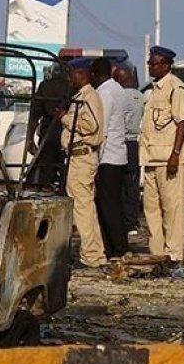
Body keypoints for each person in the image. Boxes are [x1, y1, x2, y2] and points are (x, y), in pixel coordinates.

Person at [139, 46, 184, 263]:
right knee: (151, 210)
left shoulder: (175, 88)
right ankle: (157, 254)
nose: (150, 66)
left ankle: (173, 255)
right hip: (150, 157)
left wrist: (175, 154)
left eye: (154, 63)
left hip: (168, 158)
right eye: (150, 63)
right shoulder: (154, 90)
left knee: (173, 209)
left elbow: (182, 123)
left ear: (166, 65)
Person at [53, 57, 105, 268]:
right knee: (85, 208)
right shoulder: (82, 96)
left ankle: (91, 255)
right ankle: (93, 253)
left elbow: (91, 125)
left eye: (71, 74)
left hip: (82, 156)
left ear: (80, 74)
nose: (69, 79)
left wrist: (65, 118)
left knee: (83, 208)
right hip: (77, 157)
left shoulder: (89, 96)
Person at [92, 57, 128, 259]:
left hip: (107, 157)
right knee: (113, 204)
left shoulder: (104, 93)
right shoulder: (119, 90)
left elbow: (101, 130)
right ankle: (115, 247)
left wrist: (95, 163)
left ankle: (116, 248)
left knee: (108, 207)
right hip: (118, 154)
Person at [26, 62, 71, 187]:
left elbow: (35, 115)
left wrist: (30, 140)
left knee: (45, 173)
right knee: (65, 174)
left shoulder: (45, 86)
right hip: (67, 137)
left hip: (48, 136)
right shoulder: (72, 88)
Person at [115, 66, 144, 235]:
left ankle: (120, 220)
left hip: (119, 143)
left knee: (118, 184)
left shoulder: (117, 96)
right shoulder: (141, 97)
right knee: (132, 185)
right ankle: (131, 222)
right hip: (134, 144)